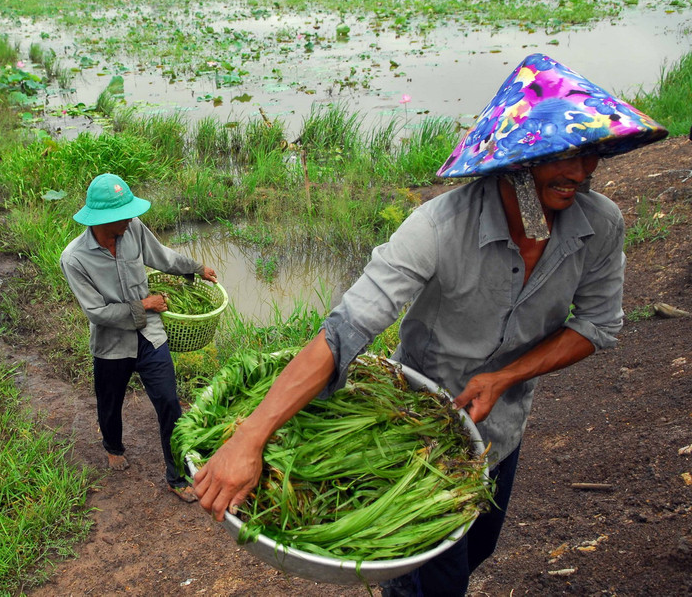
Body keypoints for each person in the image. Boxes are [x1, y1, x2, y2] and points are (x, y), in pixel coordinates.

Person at [193, 53, 668, 595]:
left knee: (477, 547)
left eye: (590, 157)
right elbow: (348, 326)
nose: (582, 174)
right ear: (518, 159)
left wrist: (504, 378)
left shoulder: (599, 225)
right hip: (418, 423)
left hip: (503, 428)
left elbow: (599, 325)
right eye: (564, 157)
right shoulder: (439, 227)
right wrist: (252, 435)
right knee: (431, 580)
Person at [60, 173, 218, 503]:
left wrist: (196, 267)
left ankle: (176, 475)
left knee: (169, 403)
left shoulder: (133, 229)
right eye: (124, 214)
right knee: (109, 401)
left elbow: (161, 256)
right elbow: (97, 312)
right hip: (112, 344)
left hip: (150, 335)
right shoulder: (74, 258)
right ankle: (113, 447)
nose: (131, 217)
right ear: (104, 219)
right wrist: (144, 304)